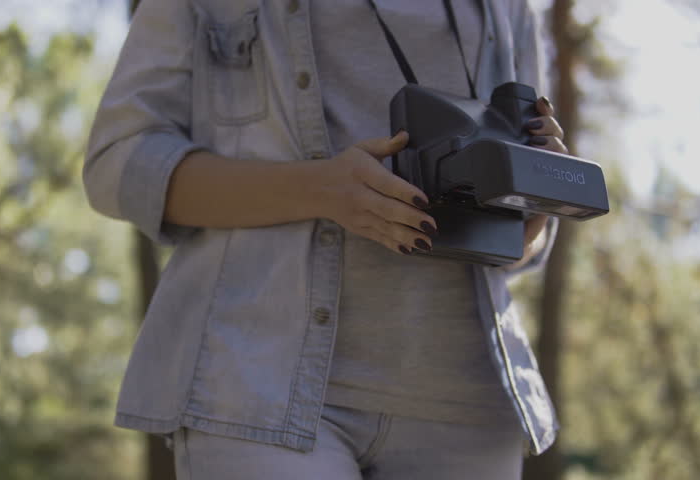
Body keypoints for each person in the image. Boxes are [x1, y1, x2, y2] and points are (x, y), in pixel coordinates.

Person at [83, 0, 568, 478]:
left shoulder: (512, 9)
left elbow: (521, 246)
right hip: (258, 393)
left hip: (471, 408)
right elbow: (120, 163)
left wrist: (534, 199)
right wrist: (321, 189)